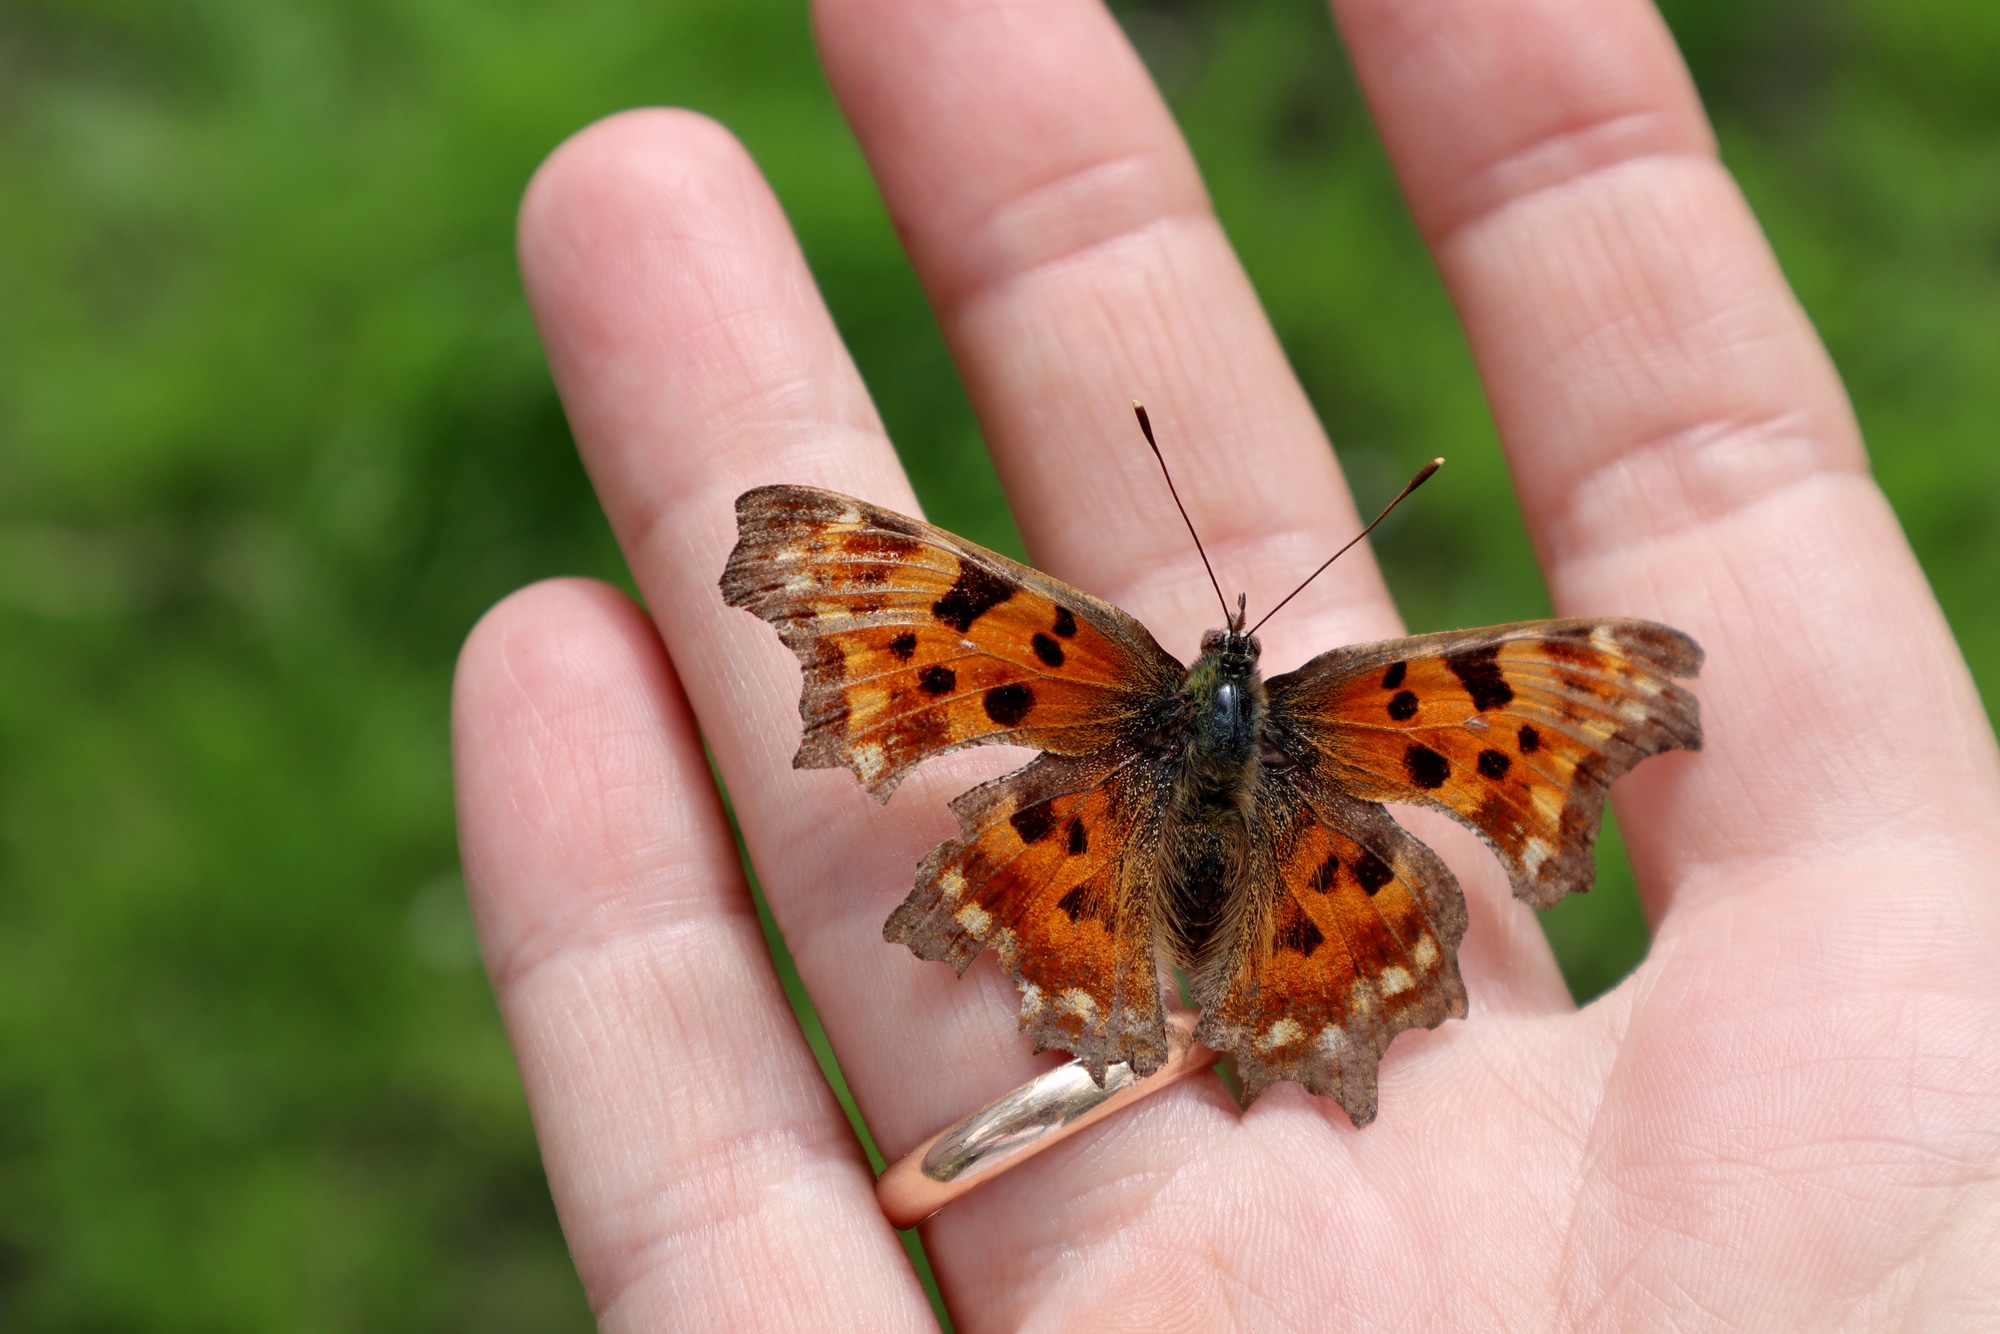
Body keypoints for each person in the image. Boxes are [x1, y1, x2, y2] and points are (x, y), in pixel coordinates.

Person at [449, 0, 2000, 1325]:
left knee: (1158, 858)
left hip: (1111, 836)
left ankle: (1190, 982)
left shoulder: (1092, 667)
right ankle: (1193, 983)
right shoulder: (1362, 707)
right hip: (1266, 851)